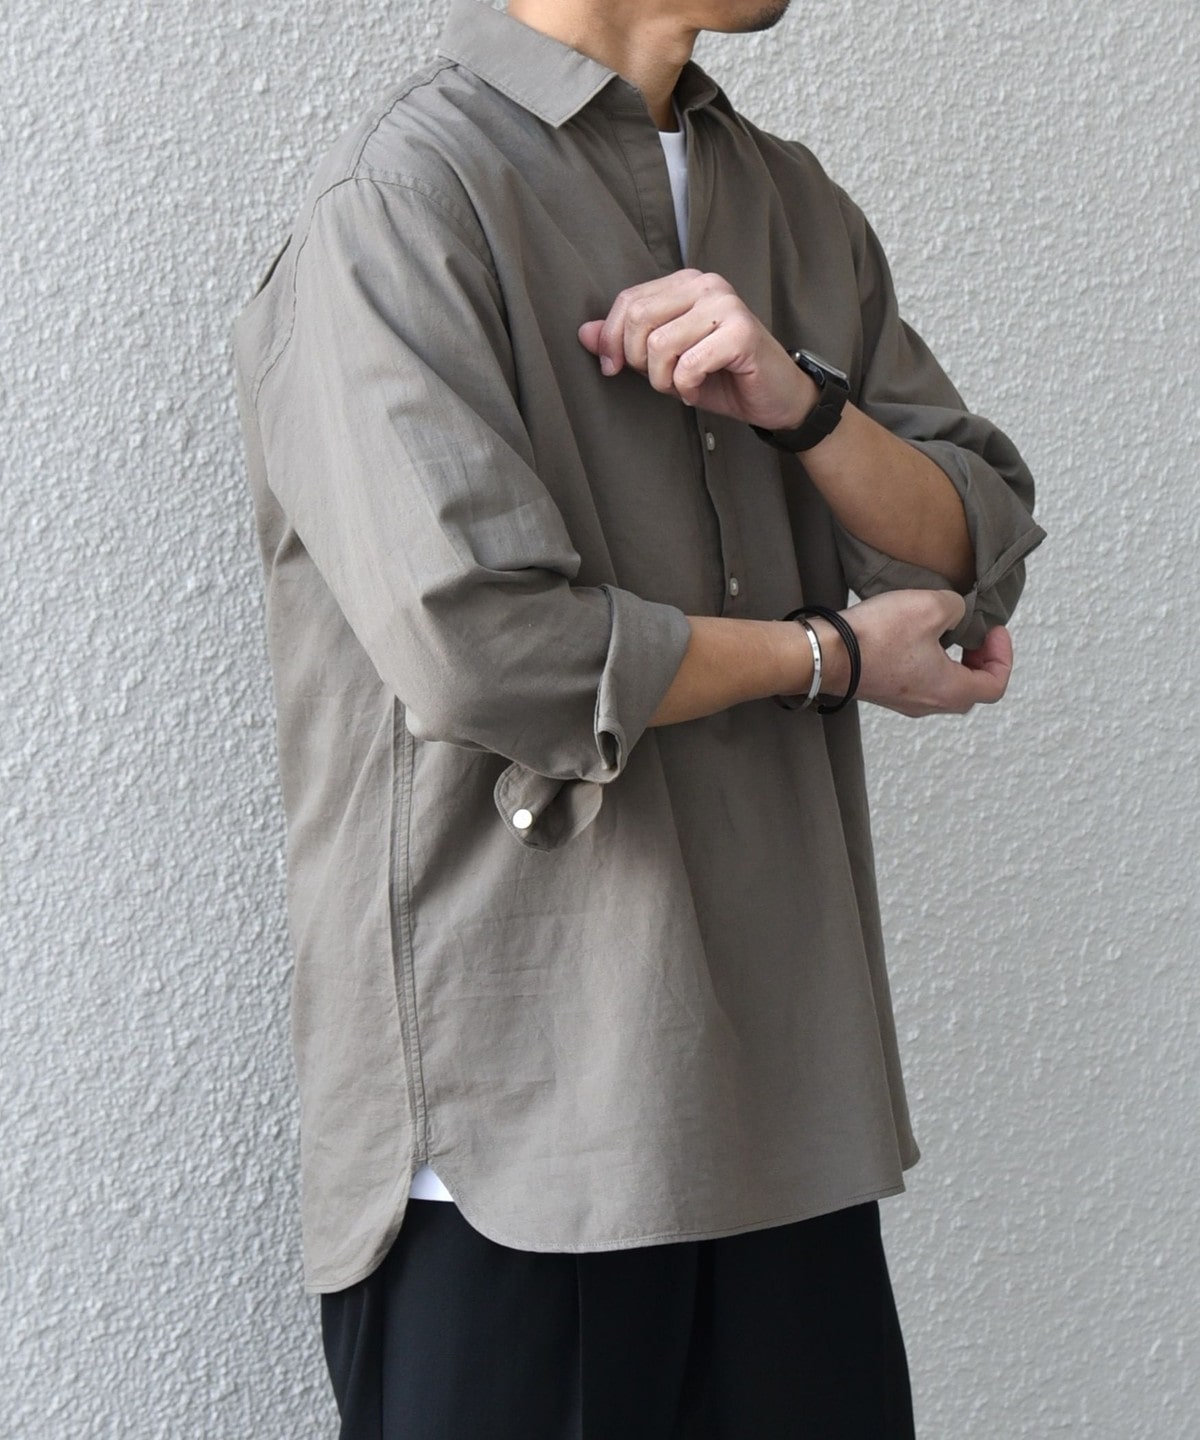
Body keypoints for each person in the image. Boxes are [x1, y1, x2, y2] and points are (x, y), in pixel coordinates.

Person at [233, 0, 1044, 1434]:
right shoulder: (404, 202)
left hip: (789, 1119)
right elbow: (484, 645)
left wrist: (803, 406)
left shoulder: (790, 203)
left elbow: (970, 542)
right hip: (518, 1136)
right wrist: (825, 657)